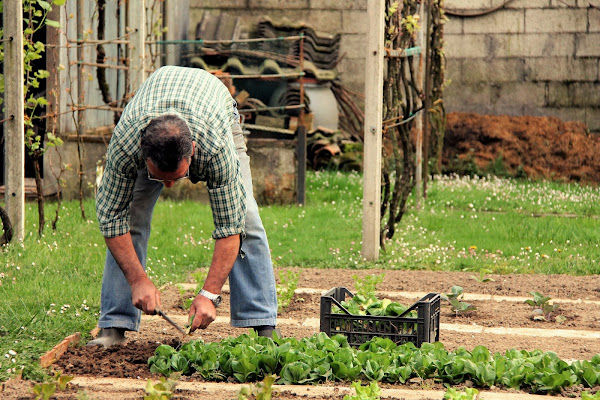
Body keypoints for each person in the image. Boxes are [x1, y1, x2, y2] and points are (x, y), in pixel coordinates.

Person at [88, 66, 279, 347]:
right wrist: (138, 279)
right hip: (157, 103)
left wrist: (209, 294)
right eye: (158, 177)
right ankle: (114, 325)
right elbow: (112, 218)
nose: (168, 186)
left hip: (216, 109)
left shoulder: (215, 147)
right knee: (130, 218)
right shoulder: (126, 143)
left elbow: (230, 226)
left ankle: (262, 323)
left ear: (192, 150)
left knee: (247, 217)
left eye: (175, 177)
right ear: (143, 152)